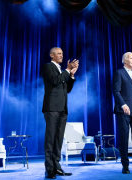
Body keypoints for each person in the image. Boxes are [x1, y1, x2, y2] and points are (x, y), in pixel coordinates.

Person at [42, 47, 79, 179]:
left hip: (63, 109)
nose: (61, 56)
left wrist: (72, 76)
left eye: (62, 53)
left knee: (58, 139)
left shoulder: (62, 71)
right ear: (51, 55)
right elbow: (55, 81)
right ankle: (49, 169)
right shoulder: (47, 67)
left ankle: (57, 167)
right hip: (51, 108)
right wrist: (67, 70)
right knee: (50, 139)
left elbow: (67, 89)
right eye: (58, 53)